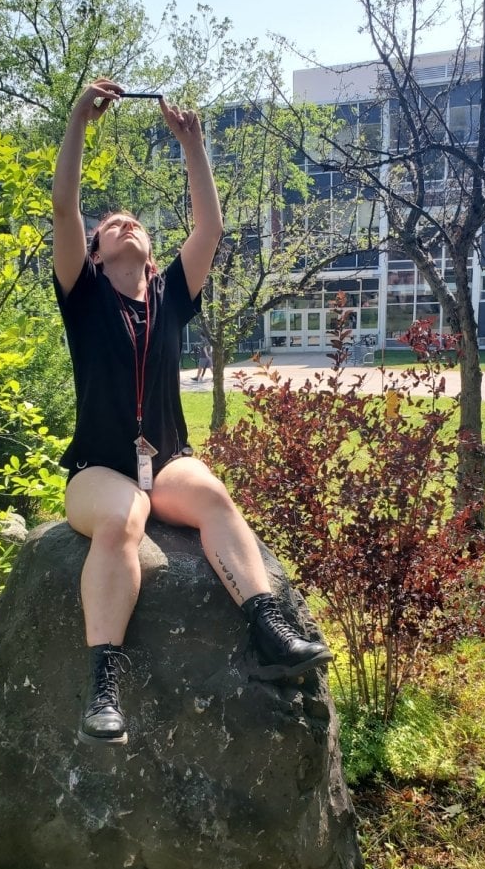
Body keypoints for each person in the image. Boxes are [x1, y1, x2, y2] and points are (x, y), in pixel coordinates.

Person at [52, 78, 328, 746]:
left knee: (214, 499)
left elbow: (211, 226)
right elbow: (64, 206)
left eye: (136, 223)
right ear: (94, 252)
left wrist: (193, 143)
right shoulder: (83, 295)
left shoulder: (172, 293)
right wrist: (77, 122)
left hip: (168, 458)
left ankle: (268, 627)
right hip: (99, 467)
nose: (127, 225)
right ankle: (104, 686)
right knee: (124, 517)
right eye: (111, 225)